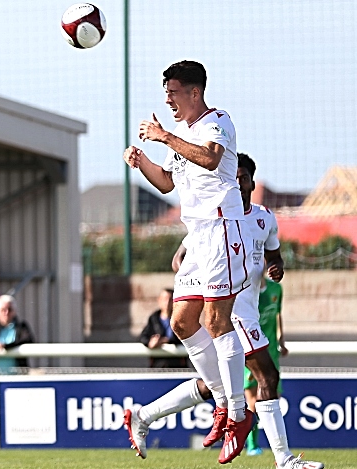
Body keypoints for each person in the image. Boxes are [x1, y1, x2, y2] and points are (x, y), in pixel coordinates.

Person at [125, 154, 323, 469]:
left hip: (249, 312)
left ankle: (143, 414)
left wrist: (276, 267)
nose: (238, 181)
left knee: (214, 386)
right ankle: (282, 458)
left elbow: (274, 254)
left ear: (252, 183)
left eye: (244, 177)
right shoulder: (216, 220)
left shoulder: (264, 218)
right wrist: (208, 292)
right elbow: (181, 261)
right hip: (232, 316)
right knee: (266, 376)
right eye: (235, 176)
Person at [122, 60, 253, 464]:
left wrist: (163, 136)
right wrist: (143, 161)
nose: (167, 99)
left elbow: (211, 159)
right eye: (166, 92)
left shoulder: (218, 122)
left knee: (216, 322)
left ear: (194, 92)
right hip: (197, 237)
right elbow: (166, 181)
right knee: (181, 323)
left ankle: (237, 414)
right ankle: (220, 402)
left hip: (222, 231)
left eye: (173, 91)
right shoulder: (179, 134)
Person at [245, 270, 288, 455]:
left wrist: (281, 340)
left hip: (271, 353)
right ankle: (251, 445)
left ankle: (277, 448)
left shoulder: (276, 289)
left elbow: (278, 315)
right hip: (251, 353)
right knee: (252, 401)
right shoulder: (245, 291)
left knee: (273, 397)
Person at [139, 288, 188, 368]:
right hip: (158, 365)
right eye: (165, 299)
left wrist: (166, 340)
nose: (167, 302)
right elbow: (143, 337)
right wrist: (151, 342)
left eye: (170, 299)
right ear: (159, 300)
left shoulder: (181, 319)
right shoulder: (153, 319)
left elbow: (187, 338)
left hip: (178, 365)